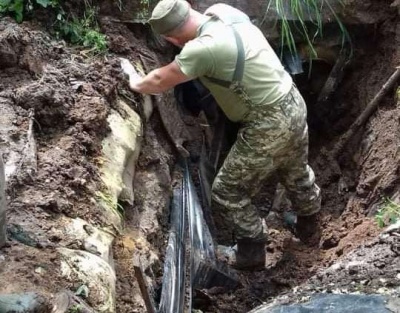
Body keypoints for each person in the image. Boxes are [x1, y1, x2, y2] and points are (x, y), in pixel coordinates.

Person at [128, 0, 321, 270]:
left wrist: (133, 81)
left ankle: (252, 251)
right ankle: (310, 226)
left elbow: (159, 81)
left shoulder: (202, 49)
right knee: (295, 169)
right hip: (291, 100)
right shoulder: (225, 12)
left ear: (170, 38)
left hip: (267, 122)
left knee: (226, 192)